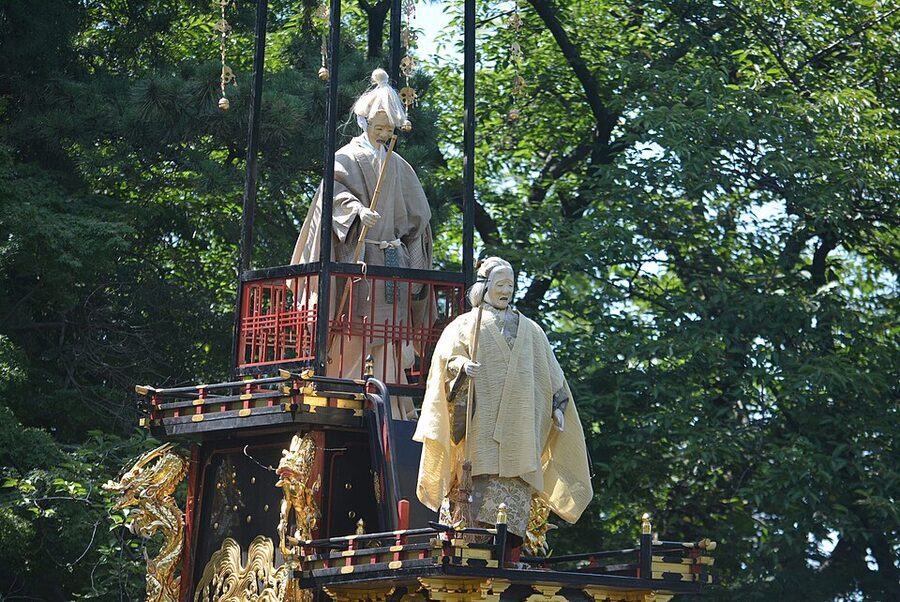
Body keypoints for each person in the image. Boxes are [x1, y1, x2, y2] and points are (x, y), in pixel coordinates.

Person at [413, 257, 593, 542]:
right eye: (500, 284)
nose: (506, 290)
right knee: (472, 529)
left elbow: (553, 378)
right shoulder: (464, 326)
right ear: (484, 287)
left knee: (508, 534)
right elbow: (444, 367)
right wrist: (461, 368)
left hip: (520, 440)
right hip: (479, 439)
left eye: (510, 284)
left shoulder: (533, 332)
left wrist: (556, 408)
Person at [291, 69, 433, 420]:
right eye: (378, 127)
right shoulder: (345, 157)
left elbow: (419, 217)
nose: (384, 134)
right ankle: (344, 394)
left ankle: (394, 406)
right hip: (357, 258)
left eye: (389, 129)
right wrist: (355, 211)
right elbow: (333, 196)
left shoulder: (398, 165)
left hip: (391, 261)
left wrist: (413, 254)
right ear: (363, 121)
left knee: (390, 335)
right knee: (352, 327)